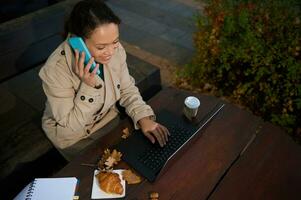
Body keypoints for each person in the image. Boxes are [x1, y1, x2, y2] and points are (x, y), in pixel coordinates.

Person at [39, 0, 169, 160]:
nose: (110, 52)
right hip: (75, 139)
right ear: (77, 41)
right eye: (101, 47)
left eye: (115, 42)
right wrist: (88, 88)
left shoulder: (116, 50)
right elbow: (69, 128)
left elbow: (127, 89)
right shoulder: (55, 71)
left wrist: (143, 117)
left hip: (109, 122)